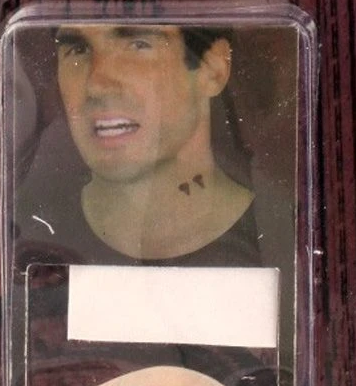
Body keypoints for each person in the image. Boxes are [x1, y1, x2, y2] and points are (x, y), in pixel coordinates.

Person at [51, 22, 254, 261]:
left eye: (139, 45)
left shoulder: (278, 234)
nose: (97, 86)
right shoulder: (32, 224)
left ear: (213, 70)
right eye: (78, 50)